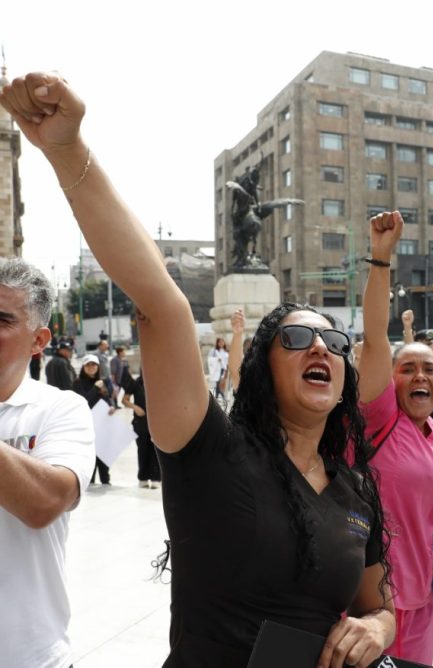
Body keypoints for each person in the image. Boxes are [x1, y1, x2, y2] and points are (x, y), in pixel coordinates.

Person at [0, 71, 394, 668]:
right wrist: (67, 150)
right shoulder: (210, 450)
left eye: (333, 340)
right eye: (296, 338)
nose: (321, 349)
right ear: (261, 367)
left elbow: (377, 603)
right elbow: (161, 302)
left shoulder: (356, 487)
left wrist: (380, 627)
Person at [358, 210, 433, 664]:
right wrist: (382, 258)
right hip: (368, 605)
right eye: (407, 368)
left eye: (430, 368)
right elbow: (375, 337)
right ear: (389, 381)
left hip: (421, 600)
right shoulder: (379, 419)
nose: (420, 375)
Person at [0, 257, 95, 667]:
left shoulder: (61, 409)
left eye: (1, 320)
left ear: (39, 340)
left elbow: (43, 503)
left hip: (30, 658)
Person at [73, 353, 114, 485]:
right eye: (88, 365)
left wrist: (111, 406)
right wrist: (95, 387)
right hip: (87, 424)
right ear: (83, 367)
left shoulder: (103, 381)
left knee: (104, 453)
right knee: (90, 454)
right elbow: (83, 402)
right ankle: (89, 481)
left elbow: (107, 399)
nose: (91, 367)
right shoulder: (78, 383)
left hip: (103, 423)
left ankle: (105, 480)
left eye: (94, 365)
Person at [121, 370, 161, 489]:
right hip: (140, 423)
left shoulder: (158, 382)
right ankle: (143, 477)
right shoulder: (135, 383)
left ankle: (156, 477)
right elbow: (124, 400)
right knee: (142, 450)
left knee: (155, 450)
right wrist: (135, 408)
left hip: (156, 422)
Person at [207, 336, 229, 404]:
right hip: (218, 370)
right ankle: (222, 397)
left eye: (222, 342)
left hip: (224, 370)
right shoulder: (214, 351)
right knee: (218, 384)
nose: (221, 343)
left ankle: (216, 398)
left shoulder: (226, 351)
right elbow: (209, 359)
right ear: (217, 343)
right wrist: (217, 360)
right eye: (220, 342)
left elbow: (228, 361)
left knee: (221, 384)